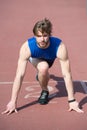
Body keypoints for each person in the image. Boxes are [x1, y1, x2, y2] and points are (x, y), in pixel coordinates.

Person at [2, 18, 84, 115]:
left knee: (44, 69)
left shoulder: (59, 46)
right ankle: (45, 90)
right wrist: (13, 101)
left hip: (50, 59)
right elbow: (19, 75)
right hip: (35, 58)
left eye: (45, 36)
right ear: (34, 36)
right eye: (39, 36)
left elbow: (67, 74)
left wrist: (71, 100)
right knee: (43, 68)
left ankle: (41, 76)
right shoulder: (27, 47)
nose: (42, 39)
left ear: (49, 34)